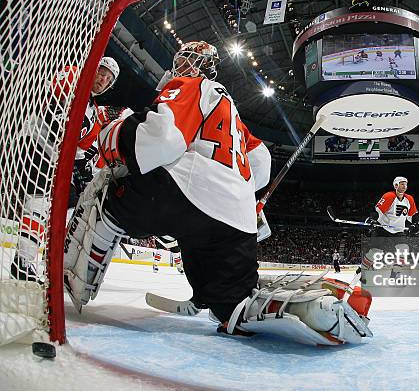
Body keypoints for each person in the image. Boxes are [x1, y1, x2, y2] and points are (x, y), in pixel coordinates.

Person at [64, 41, 371, 345]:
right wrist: (244, 197)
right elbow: (261, 163)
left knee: (106, 189)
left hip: (180, 196)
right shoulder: (233, 116)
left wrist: (110, 139)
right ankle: (316, 309)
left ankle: (73, 277)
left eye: (186, 60)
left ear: (198, 68)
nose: (181, 66)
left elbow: (162, 139)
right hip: (234, 221)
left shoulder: (189, 84)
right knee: (233, 305)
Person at [11, 57, 119, 281]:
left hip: (50, 161)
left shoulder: (94, 115)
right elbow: (52, 111)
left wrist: (86, 179)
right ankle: (22, 261)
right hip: (34, 145)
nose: (102, 79)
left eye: (108, 79)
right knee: (39, 205)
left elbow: (78, 153)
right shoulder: (73, 75)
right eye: (102, 72)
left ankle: (27, 259)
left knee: (51, 207)